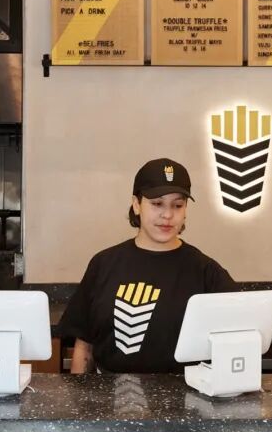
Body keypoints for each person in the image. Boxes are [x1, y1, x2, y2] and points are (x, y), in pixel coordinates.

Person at [59, 158, 236, 373]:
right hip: (108, 393)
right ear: (136, 204)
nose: (168, 215)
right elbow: (84, 347)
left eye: (177, 205)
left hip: (188, 393)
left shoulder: (206, 271)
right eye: (157, 204)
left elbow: (235, 339)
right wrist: (79, 394)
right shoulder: (103, 264)